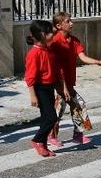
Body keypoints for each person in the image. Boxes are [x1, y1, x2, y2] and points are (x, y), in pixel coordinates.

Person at [47, 12, 101, 146]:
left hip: (68, 83)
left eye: (70, 20)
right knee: (59, 109)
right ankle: (52, 136)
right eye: (68, 21)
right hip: (58, 84)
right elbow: (55, 66)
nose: (71, 23)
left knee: (75, 106)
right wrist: (62, 87)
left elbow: (83, 57)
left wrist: (97, 62)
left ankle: (77, 134)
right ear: (59, 25)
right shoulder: (55, 42)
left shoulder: (74, 41)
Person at [24, 20, 69, 157]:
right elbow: (30, 77)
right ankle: (37, 140)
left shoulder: (47, 50)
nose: (53, 33)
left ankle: (42, 143)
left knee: (46, 118)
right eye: (50, 32)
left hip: (50, 87)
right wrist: (33, 95)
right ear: (43, 34)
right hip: (40, 88)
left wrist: (62, 88)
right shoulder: (34, 53)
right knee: (51, 117)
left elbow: (54, 71)